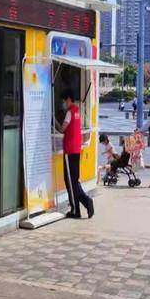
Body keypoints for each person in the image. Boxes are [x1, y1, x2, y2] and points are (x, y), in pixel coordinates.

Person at [59, 89, 94, 218]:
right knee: (74, 181)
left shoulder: (69, 112)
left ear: (68, 99)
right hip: (76, 150)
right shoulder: (77, 111)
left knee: (70, 181)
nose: (63, 103)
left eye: (64, 101)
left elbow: (63, 128)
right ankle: (80, 207)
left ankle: (80, 206)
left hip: (69, 150)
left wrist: (56, 124)